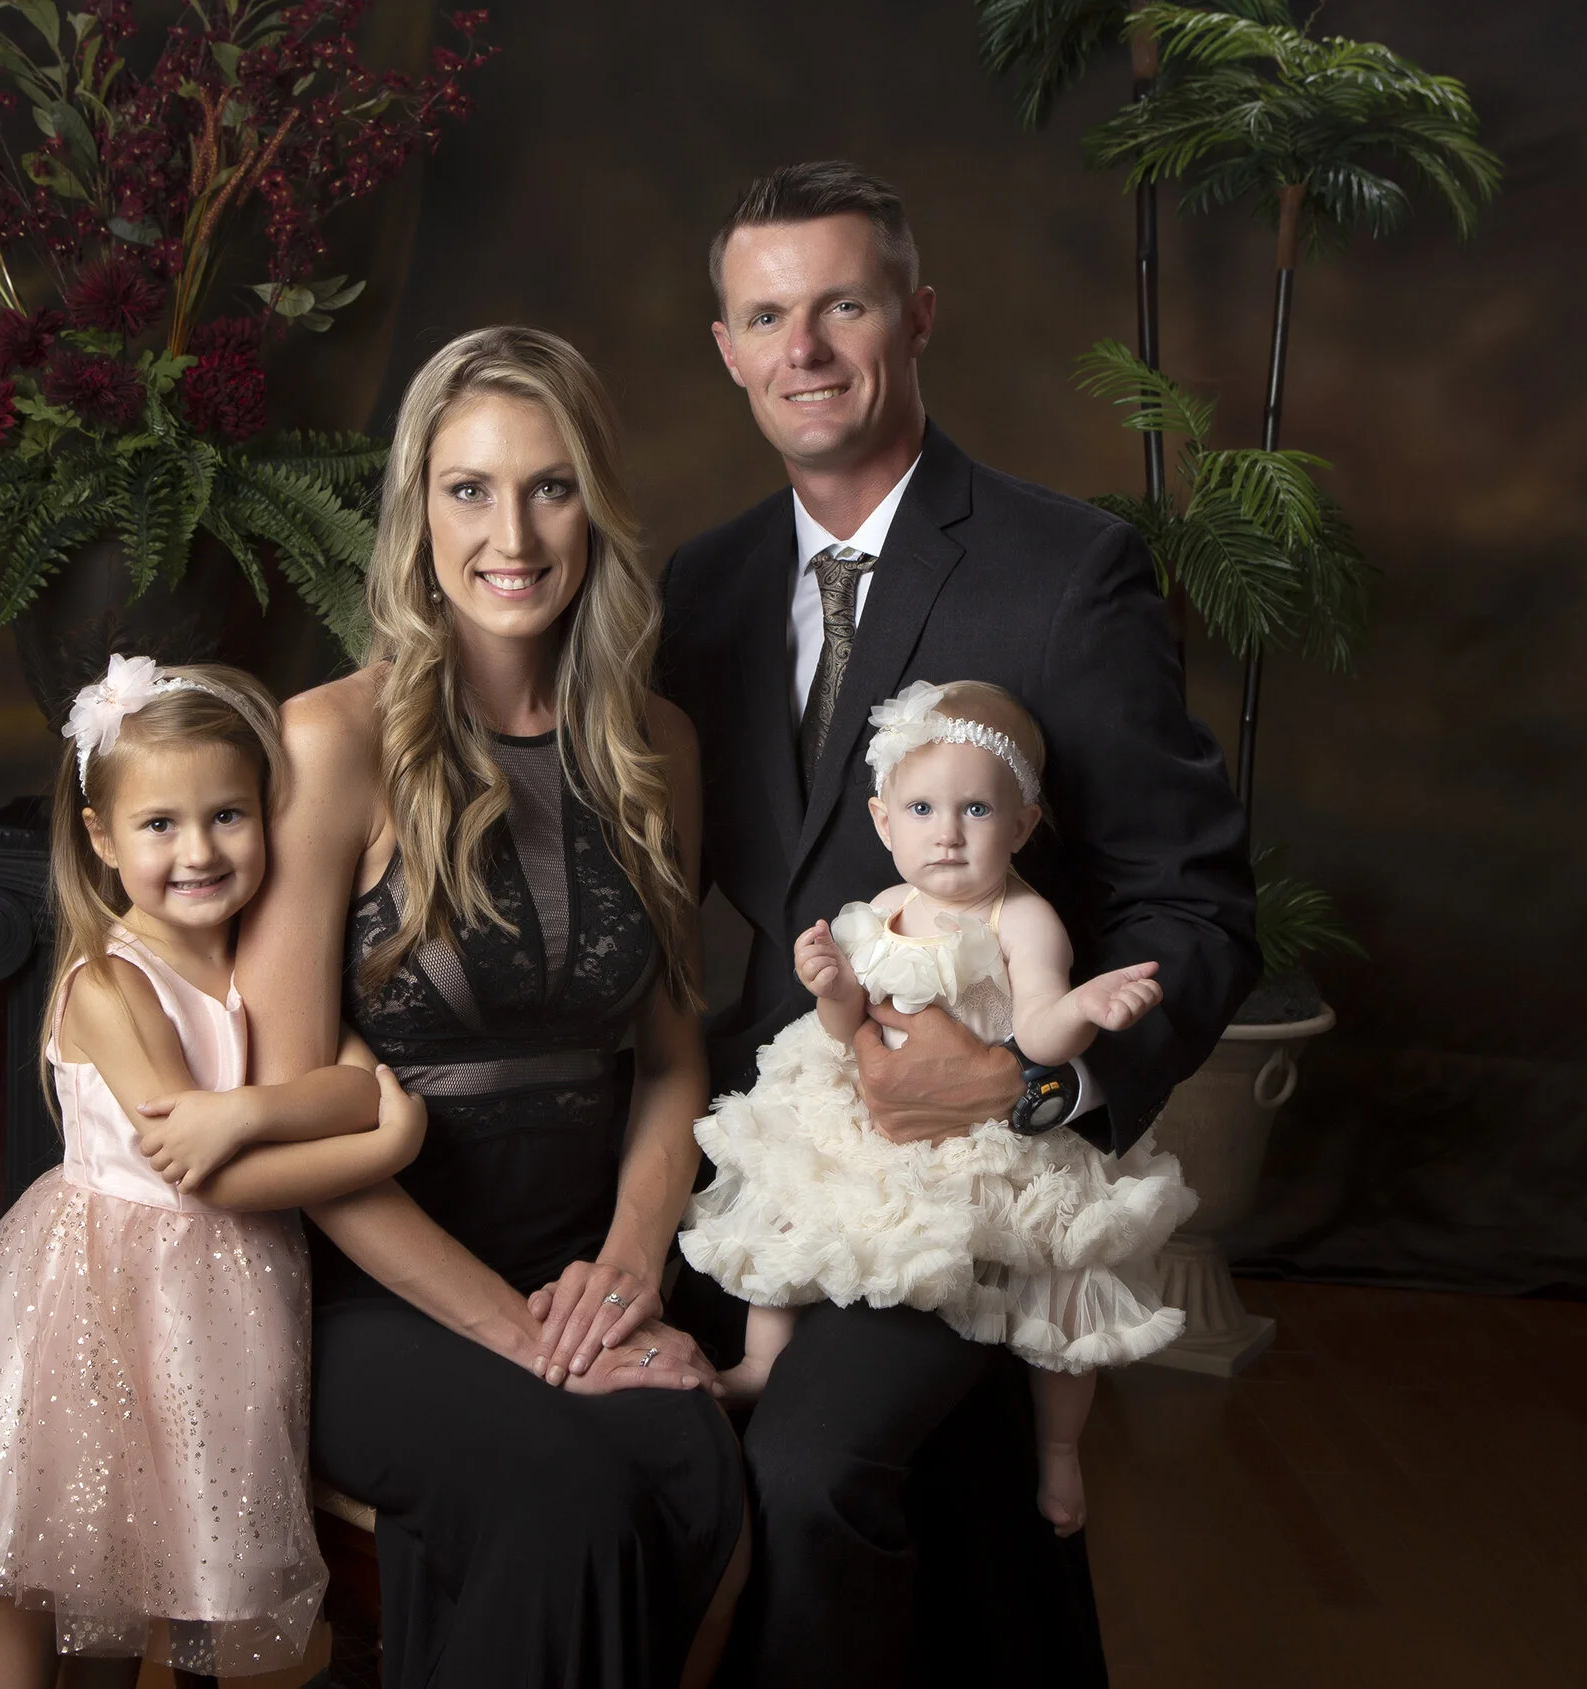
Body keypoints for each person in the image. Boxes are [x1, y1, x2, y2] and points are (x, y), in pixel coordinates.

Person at [655, 161, 1258, 1686]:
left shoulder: (1067, 571)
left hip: (970, 1176)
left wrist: (1035, 1082)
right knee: (586, 1422)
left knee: (806, 1472)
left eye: (843, 307)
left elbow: (1193, 905)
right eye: (766, 317)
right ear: (726, 348)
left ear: (917, 317)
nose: (804, 349)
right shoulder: (702, 589)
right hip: (765, 1141)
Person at [185, 325, 748, 1689]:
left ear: (594, 507)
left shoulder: (660, 747)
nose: (512, 534)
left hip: (585, 1259)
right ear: (417, 513)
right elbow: (295, 1124)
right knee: (566, 1504)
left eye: (549, 487)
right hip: (370, 1288)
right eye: (469, 489)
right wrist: (519, 1332)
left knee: (700, 1468)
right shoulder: (330, 741)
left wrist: (624, 1277)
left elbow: (671, 1062)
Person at [0, 655, 428, 1689]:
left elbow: (345, 1085)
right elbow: (205, 1169)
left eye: (227, 816)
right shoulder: (111, 984)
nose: (198, 851)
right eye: (160, 825)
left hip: (218, 1315)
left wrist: (247, 1110)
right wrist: (388, 1147)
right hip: (102, 1308)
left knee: (160, 1579)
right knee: (56, 1587)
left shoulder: (261, 962)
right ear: (102, 838)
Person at [681, 677, 1199, 1537]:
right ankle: (761, 1362)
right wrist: (831, 985)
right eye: (922, 809)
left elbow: (1038, 1032)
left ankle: (1060, 1448)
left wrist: (1086, 1007)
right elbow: (847, 1026)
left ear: (1023, 824)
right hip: (871, 1107)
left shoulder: (1024, 920)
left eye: (976, 811)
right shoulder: (884, 909)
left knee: (1063, 1284)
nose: (947, 833)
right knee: (790, 1198)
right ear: (884, 822)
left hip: (979, 1126)